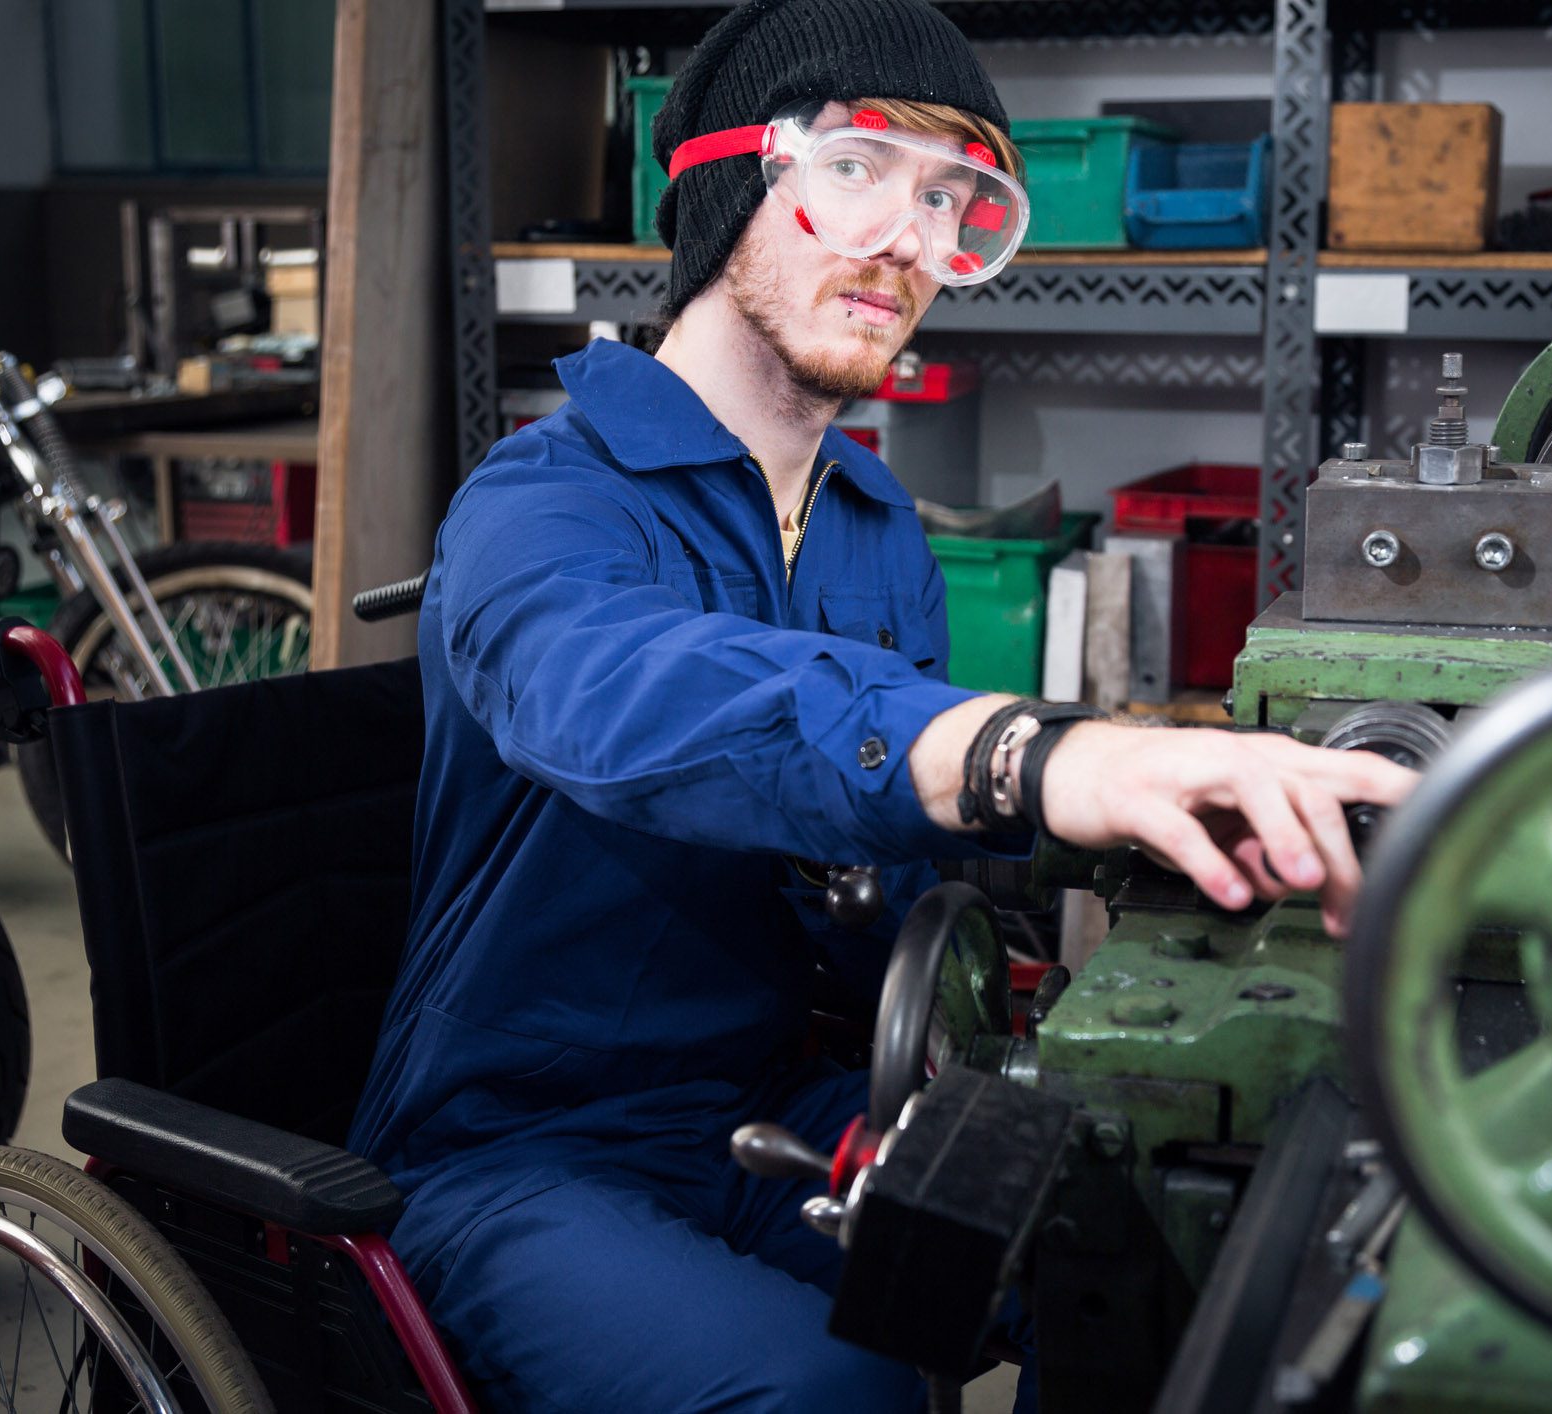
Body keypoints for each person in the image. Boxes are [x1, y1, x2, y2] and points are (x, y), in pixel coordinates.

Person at [347, 2, 1416, 1409]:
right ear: (730, 181)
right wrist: (1022, 750)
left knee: (1149, 1254)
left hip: (782, 1097)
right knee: (823, 1390)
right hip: (527, 1147)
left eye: (956, 204)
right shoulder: (541, 503)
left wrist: (1175, 798)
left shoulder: (872, 526)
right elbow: (623, 695)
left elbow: (902, 845)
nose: (911, 244)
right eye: (859, 173)